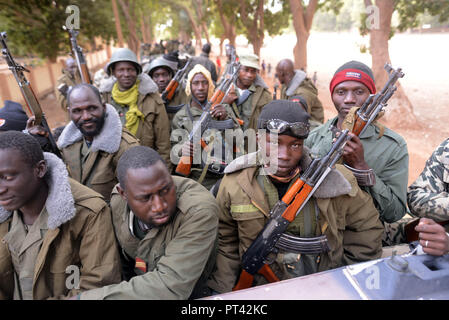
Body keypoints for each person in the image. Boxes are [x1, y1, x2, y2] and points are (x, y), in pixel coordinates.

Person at [207, 100, 383, 293]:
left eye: (295, 145)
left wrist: (345, 279)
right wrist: (222, 293)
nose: (284, 154)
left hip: (321, 289)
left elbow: (366, 229)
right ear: (258, 138)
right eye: (274, 142)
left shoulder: (333, 181)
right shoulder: (235, 182)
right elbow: (226, 245)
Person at [77, 146, 219, 300]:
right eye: (145, 198)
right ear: (124, 194)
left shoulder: (197, 211)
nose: (159, 207)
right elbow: (123, 259)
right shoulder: (118, 203)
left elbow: (170, 286)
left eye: (165, 190)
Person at [0, 131, 121, 299]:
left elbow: (98, 284)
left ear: (40, 169)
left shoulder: (88, 212)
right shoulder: (5, 215)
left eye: (7, 177)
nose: (1, 188)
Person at [305, 61, 409, 224]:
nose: (349, 99)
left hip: (362, 236)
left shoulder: (393, 146)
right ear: (332, 95)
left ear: (372, 97)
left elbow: (394, 212)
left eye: (359, 91)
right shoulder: (314, 137)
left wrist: (362, 168)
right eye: (341, 92)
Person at [53, 84, 139, 202]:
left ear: (103, 107)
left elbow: (136, 200)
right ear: (69, 112)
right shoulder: (66, 144)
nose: (86, 116)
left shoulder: (125, 147)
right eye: (77, 111)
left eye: (92, 108)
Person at [99, 48, 172, 168]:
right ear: (113, 72)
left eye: (130, 69)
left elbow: (163, 143)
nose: (126, 74)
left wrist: (165, 172)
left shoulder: (152, 99)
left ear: (137, 71)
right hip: (113, 166)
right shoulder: (104, 99)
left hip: (146, 164)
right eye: (121, 70)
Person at [170, 64, 239, 190]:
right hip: (195, 180)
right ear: (189, 87)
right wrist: (182, 149)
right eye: (196, 83)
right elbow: (173, 148)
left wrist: (226, 119)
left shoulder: (223, 109)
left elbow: (239, 141)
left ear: (210, 85)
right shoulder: (181, 116)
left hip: (224, 176)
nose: (200, 88)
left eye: (204, 83)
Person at [406, 138, 449, 256]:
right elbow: (414, 198)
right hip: (437, 231)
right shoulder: (447, 149)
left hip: (442, 243)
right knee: (378, 231)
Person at [226, 53, 272, 131]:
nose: (249, 75)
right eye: (246, 70)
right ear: (237, 69)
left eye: (253, 71)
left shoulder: (264, 96)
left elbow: (269, 125)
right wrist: (225, 103)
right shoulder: (224, 91)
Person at [275, 59, 324, 129]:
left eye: (277, 74)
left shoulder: (302, 94)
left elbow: (298, 121)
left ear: (282, 74)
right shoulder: (286, 86)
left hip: (310, 130)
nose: (277, 77)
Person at [145, 54, 188, 122]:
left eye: (164, 75)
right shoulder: (146, 97)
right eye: (156, 76)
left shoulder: (182, 92)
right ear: (151, 78)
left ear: (170, 76)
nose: (161, 79)